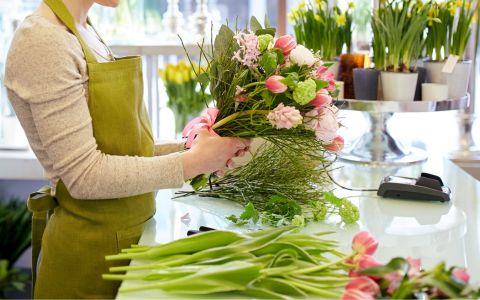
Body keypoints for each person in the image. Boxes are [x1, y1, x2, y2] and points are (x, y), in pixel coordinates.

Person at [4, 0, 250, 298]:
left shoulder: (83, 30)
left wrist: (191, 147)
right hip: (89, 263)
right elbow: (85, 176)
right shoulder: (44, 41)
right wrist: (192, 162)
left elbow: (119, 149)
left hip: (126, 244)